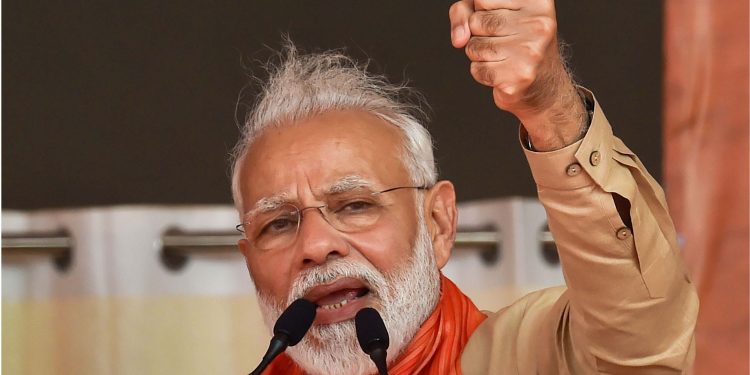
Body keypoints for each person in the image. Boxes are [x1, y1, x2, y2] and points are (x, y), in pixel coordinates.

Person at [230, 0, 698, 373]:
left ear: (438, 224)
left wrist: (551, 107)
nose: (314, 244)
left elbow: (641, 343)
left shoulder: (525, 360)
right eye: (278, 223)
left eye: (354, 204)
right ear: (247, 260)